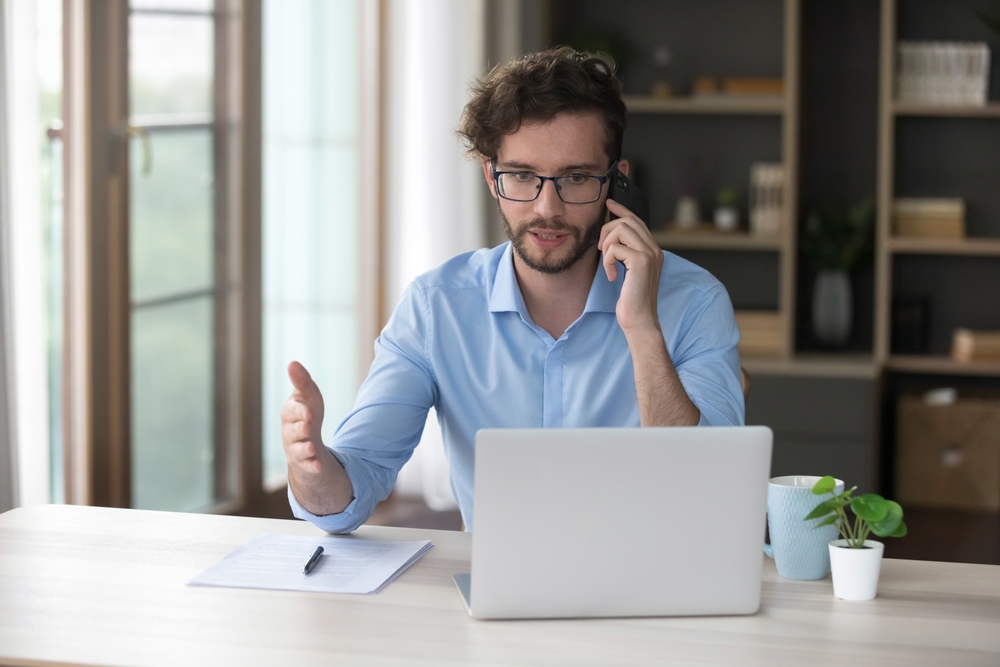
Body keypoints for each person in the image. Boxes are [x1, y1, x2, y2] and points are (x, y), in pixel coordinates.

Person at [281, 47, 744, 533]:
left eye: (577, 177)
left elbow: (708, 495)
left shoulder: (695, 302)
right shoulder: (436, 307)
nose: (548, 207)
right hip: (499, 598)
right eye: (522, 175)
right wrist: (310, 466)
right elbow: (352, 487)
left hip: (657, 594)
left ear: (617, 184)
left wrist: (644, 330)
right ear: (491, 177)